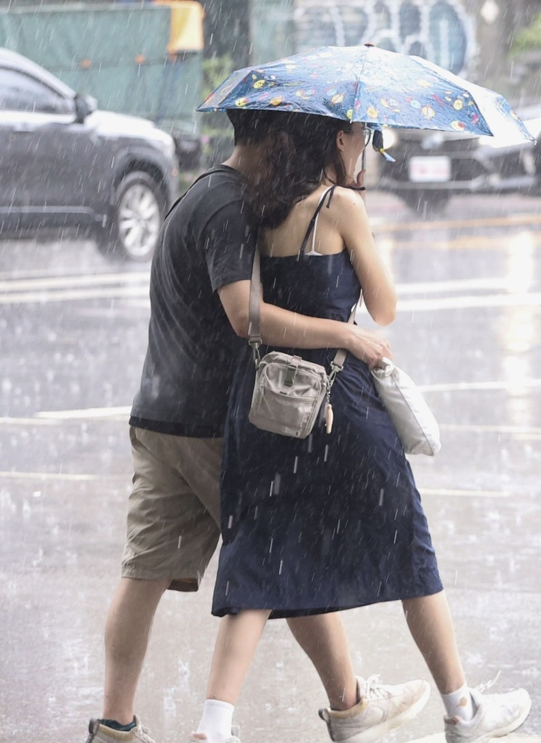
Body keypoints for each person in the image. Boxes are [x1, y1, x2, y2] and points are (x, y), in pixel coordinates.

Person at [190, 114, 532, 743]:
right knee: (410, 548)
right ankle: (462, 710)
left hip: (267, 405)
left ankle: (214, 727)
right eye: (364, 137)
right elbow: (384, 306)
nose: (368, 147)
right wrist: (362, 232)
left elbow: (256, 313)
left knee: (258, 565)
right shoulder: (341, 206)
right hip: (338, 400)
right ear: (341, 142)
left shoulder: (260, 207)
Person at [86, 109, 423, 743]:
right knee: (281, 557)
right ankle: (342, 706)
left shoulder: (199, 193)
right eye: (294, 137)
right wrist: (344, 334)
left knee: (143, 577)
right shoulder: (233, 207)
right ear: (271, 140)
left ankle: (114, 725)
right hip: (212, 422)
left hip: (159, 415)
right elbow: (247, 316)